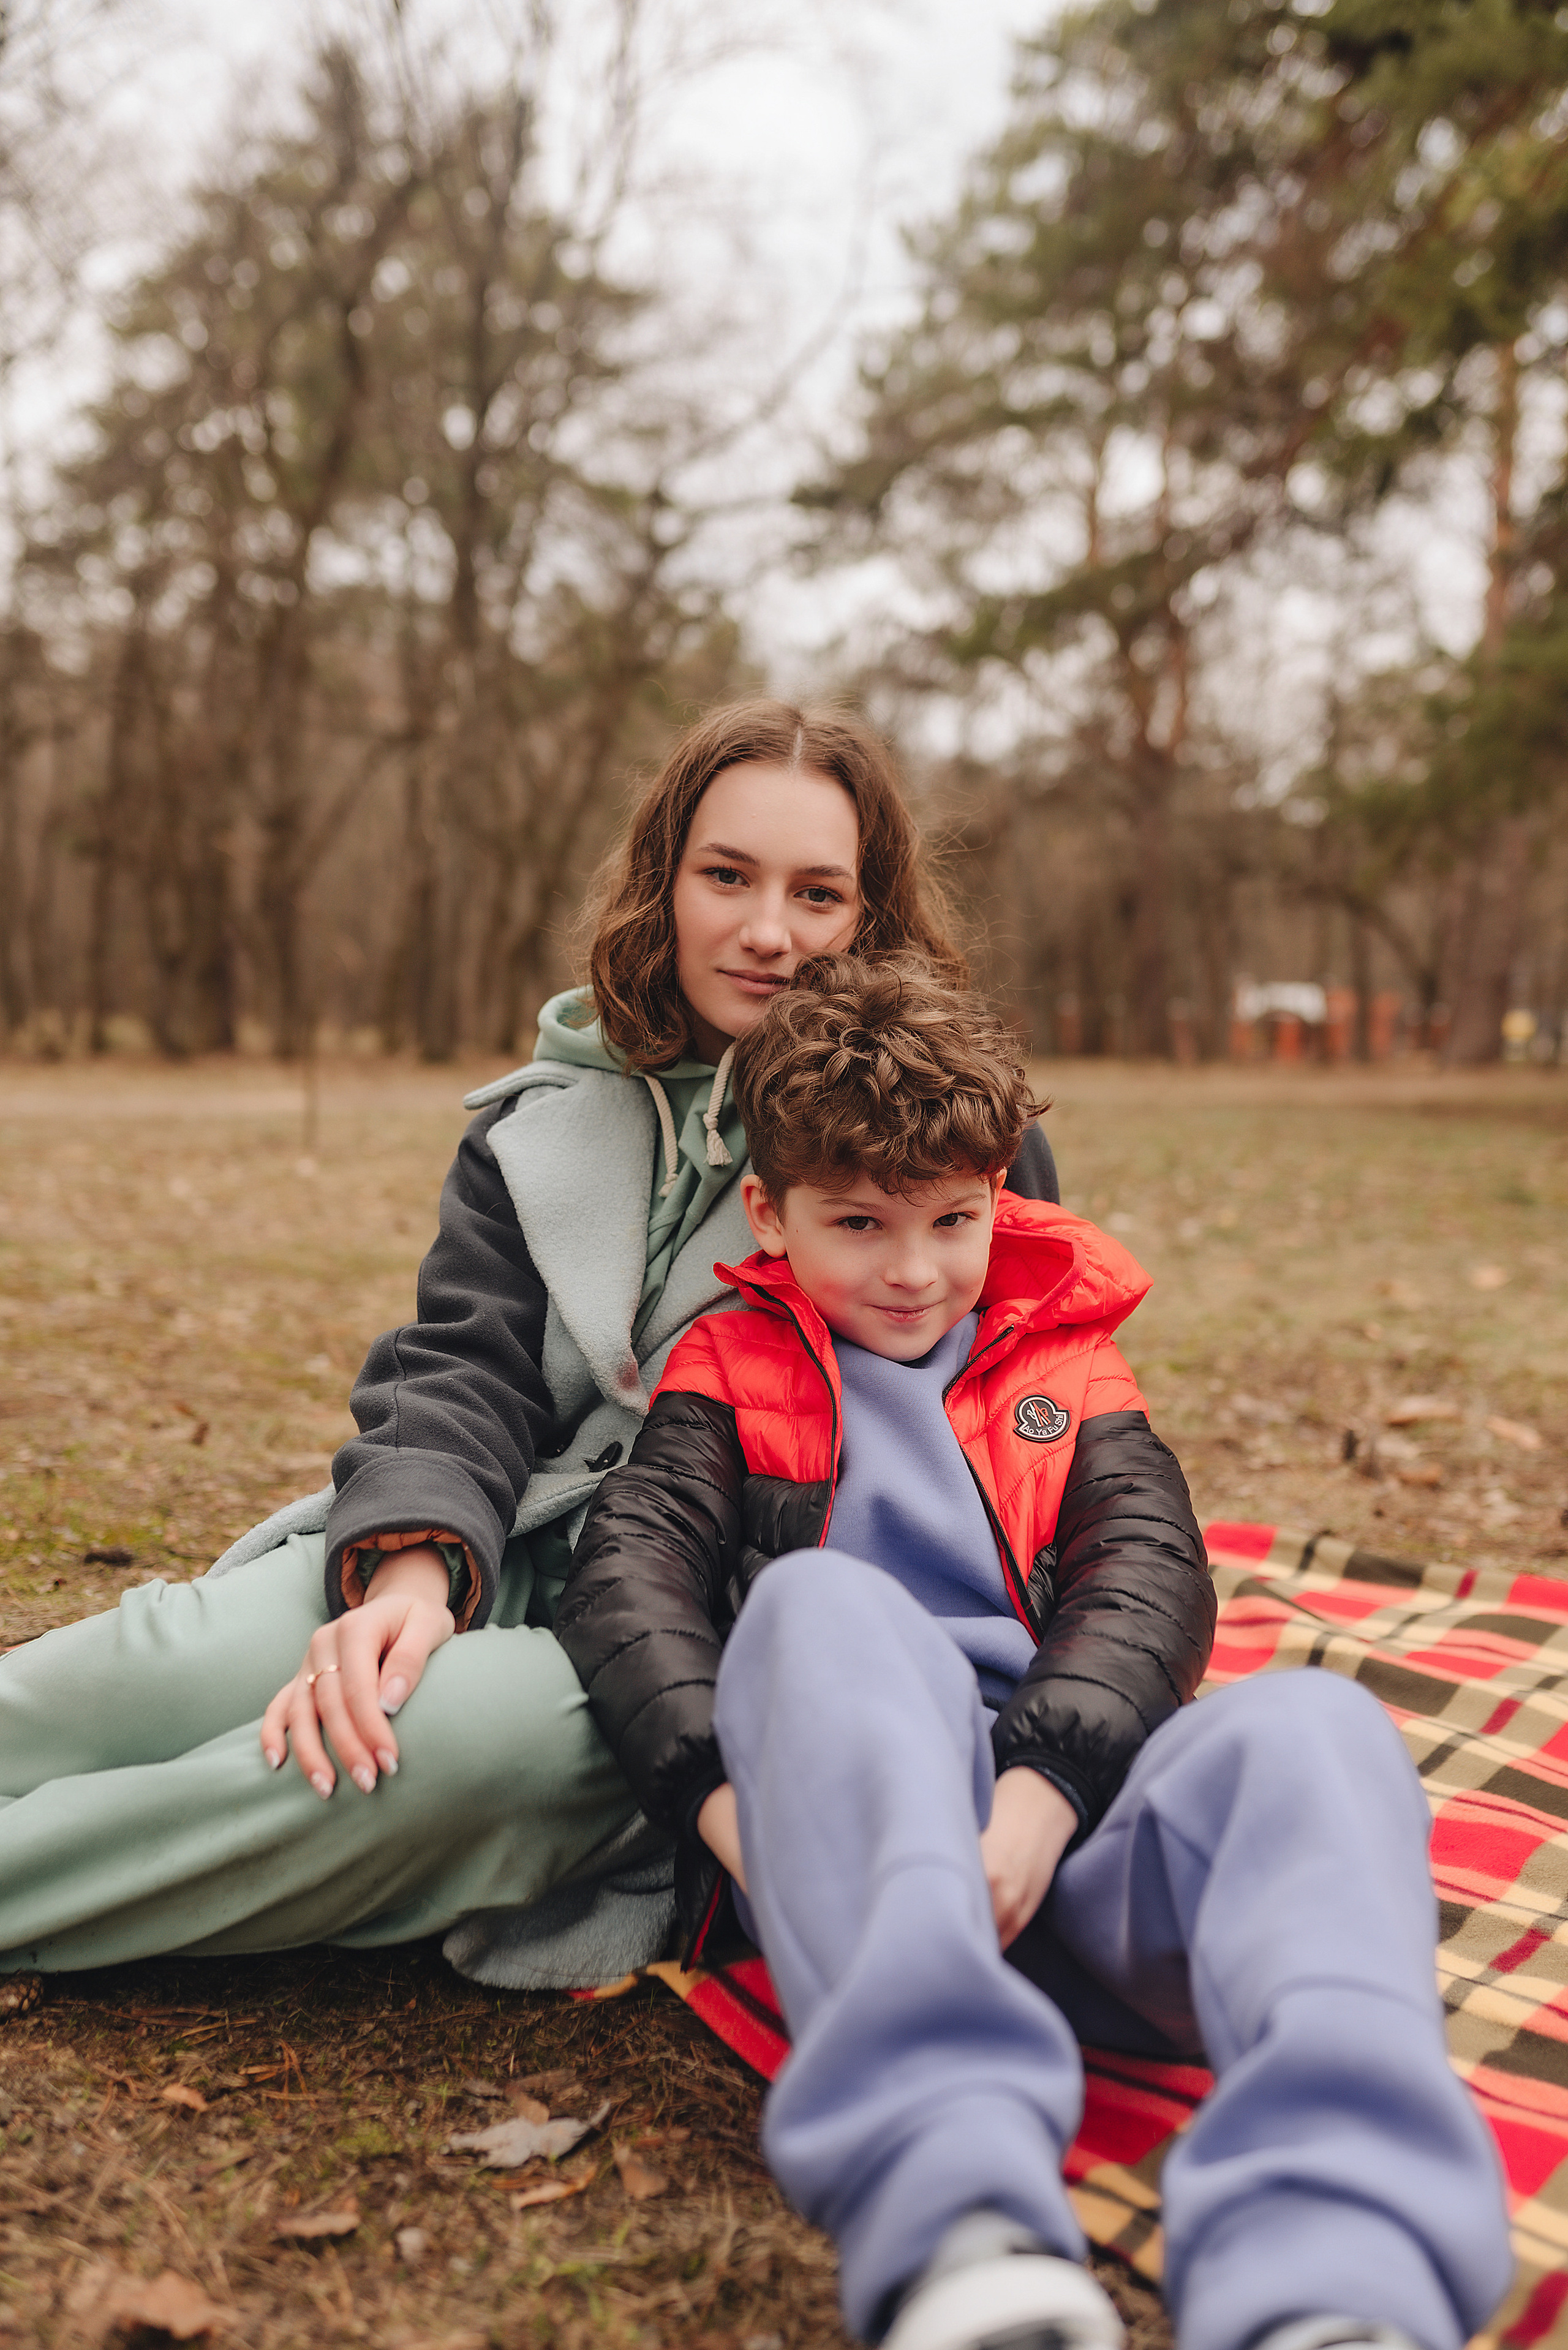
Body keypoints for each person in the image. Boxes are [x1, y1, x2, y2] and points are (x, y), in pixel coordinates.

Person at [0, 699, 1059, 1981]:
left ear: (868, 915)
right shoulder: (546, 1112)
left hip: (683, 1636)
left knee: (391, 1750)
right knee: (141, 1672)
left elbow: (1011, 1451)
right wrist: (410, 1569)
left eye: (817, 893)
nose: (767, 930)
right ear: (663, 880)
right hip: (493, 1526)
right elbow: (465, 1363)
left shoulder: (947, 1146)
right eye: (726, 875)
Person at [556, 954, 1513, 2350]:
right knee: (820, 1606)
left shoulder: (1060, 1359)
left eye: (953, 1217)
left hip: (1073, 1845)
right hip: (877, 1857)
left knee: (1318, 1729)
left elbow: (1148, 1573)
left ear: (1003, 1189)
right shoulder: (728, 1371)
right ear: (768, 1211)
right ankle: (963, 2229)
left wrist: (1044, 1790)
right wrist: (726, 1808)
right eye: (858, 1221)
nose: (911, 1267)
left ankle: (1334, 2276)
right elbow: (625, 1577)